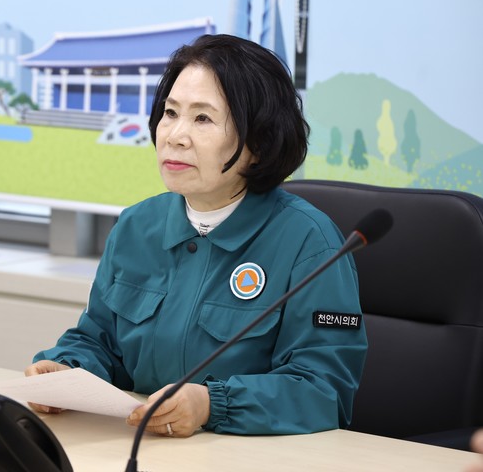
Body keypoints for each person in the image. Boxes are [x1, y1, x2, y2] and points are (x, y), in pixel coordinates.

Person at [25, 34, 367, 438]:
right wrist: (67, 370)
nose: (175, 135)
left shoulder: (310, 243)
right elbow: (100, 342)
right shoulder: (137, 225)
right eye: (170, 113)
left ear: (259, 141)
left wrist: (211, 405)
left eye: (202, 119)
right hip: (143, 448)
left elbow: (324, 389)